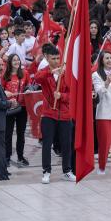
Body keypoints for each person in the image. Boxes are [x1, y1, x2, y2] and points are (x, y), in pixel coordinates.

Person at [36, 48, 74, 183]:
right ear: (47, 58)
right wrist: (50, 72)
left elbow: (72, 94)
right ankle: (46, 171)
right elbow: (37, 78)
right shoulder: (45, 71)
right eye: (53, 58)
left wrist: (61, 96)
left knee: (66, 144)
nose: (56, 61)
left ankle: (67, 171)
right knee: (47, 143)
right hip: (48, 113)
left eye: (58, 58)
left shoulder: (66, 73)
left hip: (64, 113)